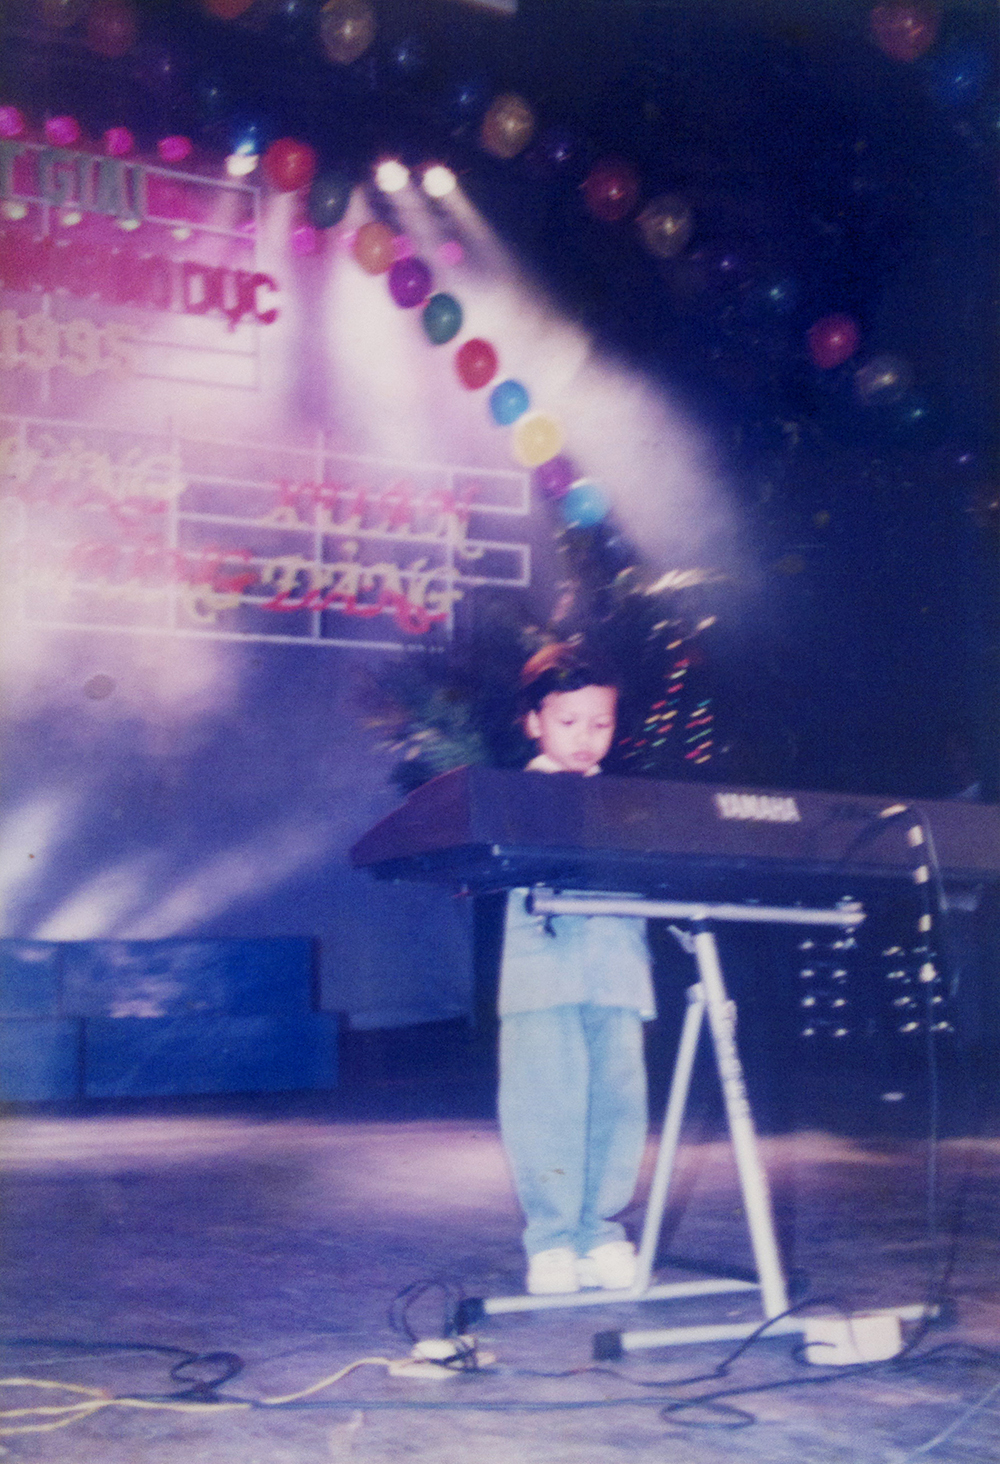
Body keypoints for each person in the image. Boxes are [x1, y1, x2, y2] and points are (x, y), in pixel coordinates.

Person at [498, 643, 655, 1295]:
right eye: (568, 722)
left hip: (617, 974)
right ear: (534, 721)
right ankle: (553, 1240)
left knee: (618, 1106)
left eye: (600, 723)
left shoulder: (626, 802)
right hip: (544, 977)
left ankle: (601, 1231)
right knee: (546, 1106)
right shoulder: (512, 797)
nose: (586, 738)